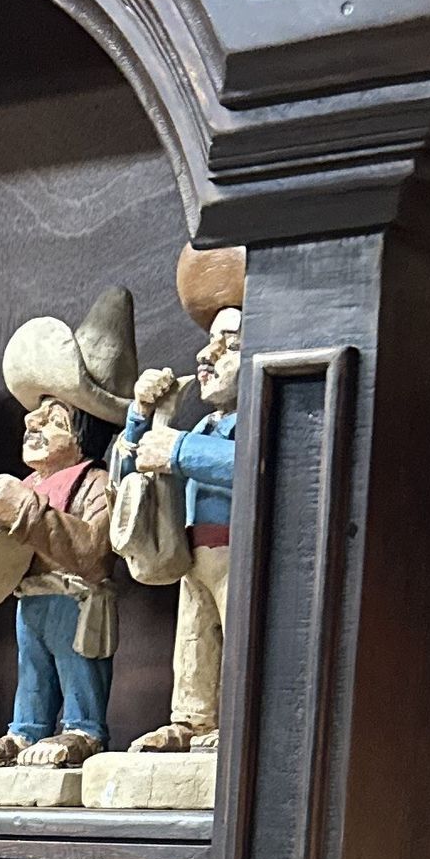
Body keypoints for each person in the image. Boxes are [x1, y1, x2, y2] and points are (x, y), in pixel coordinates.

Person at [0, 286, 136, 770]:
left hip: (76, 599)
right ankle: (26, 729)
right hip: (31, 599)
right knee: (32, 671)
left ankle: (83, 730)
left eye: (53, 418)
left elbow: (96, 552)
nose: (32, 423)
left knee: (78, 665)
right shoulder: (27, 483)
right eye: (33, 415)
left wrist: (27, 514)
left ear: (85, 433)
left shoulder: (97, 484)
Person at [119, 248, 242, 753]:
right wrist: (141, 416)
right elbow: (128, 476)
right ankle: (191, 719)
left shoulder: (252, 420)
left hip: (239, 552)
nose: (206, 356)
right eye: (208, 343)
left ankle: (238, 721)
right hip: (194, 553)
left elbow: (251, 463)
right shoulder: (206, 425)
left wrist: (179, 450)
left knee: (239, 636)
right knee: (193, 639)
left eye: (229, 346)